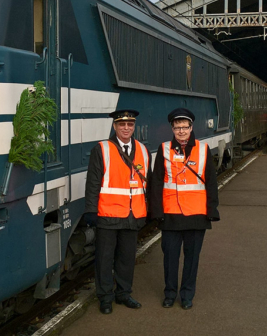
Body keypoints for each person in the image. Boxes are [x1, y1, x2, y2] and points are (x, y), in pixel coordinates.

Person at [149, 108, 219, 310]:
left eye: (185, 127)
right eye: (177, 127)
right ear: (172, 128)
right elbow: (156, 184)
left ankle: (187, 295)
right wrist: (157, 213)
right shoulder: (163, 150)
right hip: (171, 215)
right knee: (170, 258)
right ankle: (170, 294)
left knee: (192, 259)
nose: (181, 131)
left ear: (191, 128)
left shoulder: (203, 150)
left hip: (197, 215)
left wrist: (212, 210)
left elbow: (211, 183)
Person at [84, 109, 149, 315]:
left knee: (127, 258)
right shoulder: (102, 149)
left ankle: (123, 293)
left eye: (130, 124)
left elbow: (148, 183)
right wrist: (91, 211)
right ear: (115, 126)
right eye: (122, 124)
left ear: (134, 126)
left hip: (133, 215)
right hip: (108, 215)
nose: (126, 128)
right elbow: (93, 182)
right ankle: (105, 297)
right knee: (104, 258)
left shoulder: (142, 149)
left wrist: (149, 210)